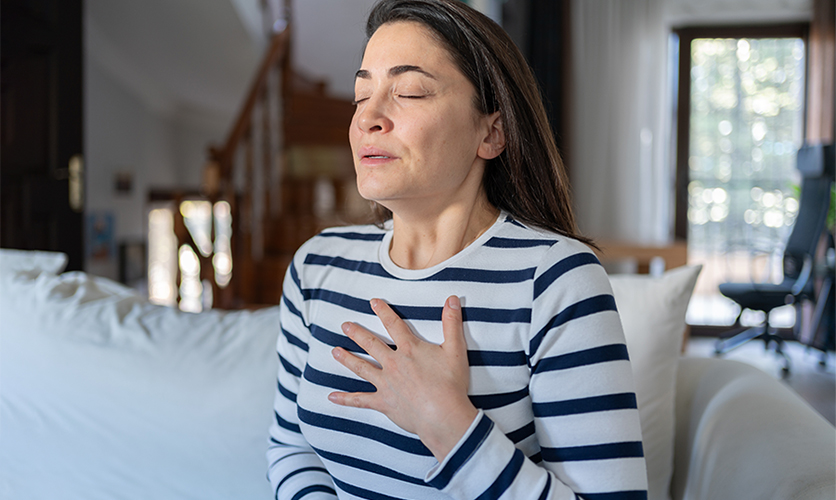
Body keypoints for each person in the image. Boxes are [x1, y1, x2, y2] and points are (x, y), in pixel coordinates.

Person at [266, 0, 648, 498]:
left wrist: (447, 422)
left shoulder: (555, 280)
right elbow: (291, 449)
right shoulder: (317, 265)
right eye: (362, 95)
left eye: (409, 91)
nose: (368, 119)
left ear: (490, 131)